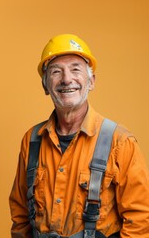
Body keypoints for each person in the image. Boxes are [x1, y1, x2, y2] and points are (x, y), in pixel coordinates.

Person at [9, 34, 149, 238]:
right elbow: (20, 214)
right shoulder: (32, 140)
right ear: (45, 85)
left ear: (91, 81)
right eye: (56, 71)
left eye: (75, 69)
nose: (66, 79)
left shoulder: (119, 142)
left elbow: (140, 220)